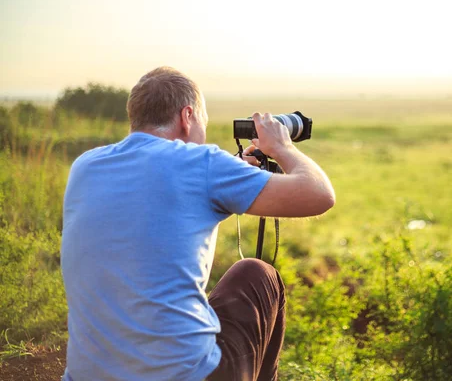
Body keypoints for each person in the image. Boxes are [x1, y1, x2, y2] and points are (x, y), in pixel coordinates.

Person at [60, 67, 335, 381]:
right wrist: (282, 147)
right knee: (257, 274)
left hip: (85, 376)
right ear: (187, 116)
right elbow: (319, 195)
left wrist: (232, 179)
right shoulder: (202, 163)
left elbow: (163, 206)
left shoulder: (85, 166)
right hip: (181, 375)